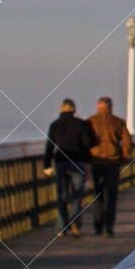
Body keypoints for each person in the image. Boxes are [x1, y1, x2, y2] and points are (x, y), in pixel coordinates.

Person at [44, 98, 96, 237]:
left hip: (60, 162)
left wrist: (47, 165)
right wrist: (88, 163)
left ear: (61, 109)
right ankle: (75, 223)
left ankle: (61, 227)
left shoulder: (55, 125)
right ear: (74, 109)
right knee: (77, 194)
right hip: (78, 162)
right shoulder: (81, 124)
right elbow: (87, 145)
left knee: (61, 195)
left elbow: (50, 146)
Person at [86, 96, 133, 237]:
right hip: (113, 162)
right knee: (111, 195)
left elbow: (85, 142)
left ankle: (97, 226)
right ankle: (109, 227)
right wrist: (124, 157)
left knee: (97, 194)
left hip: (95, 161)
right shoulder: (118, 122)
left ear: (98, 106)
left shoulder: (90, 122)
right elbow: (127, 142)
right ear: (110, 107)